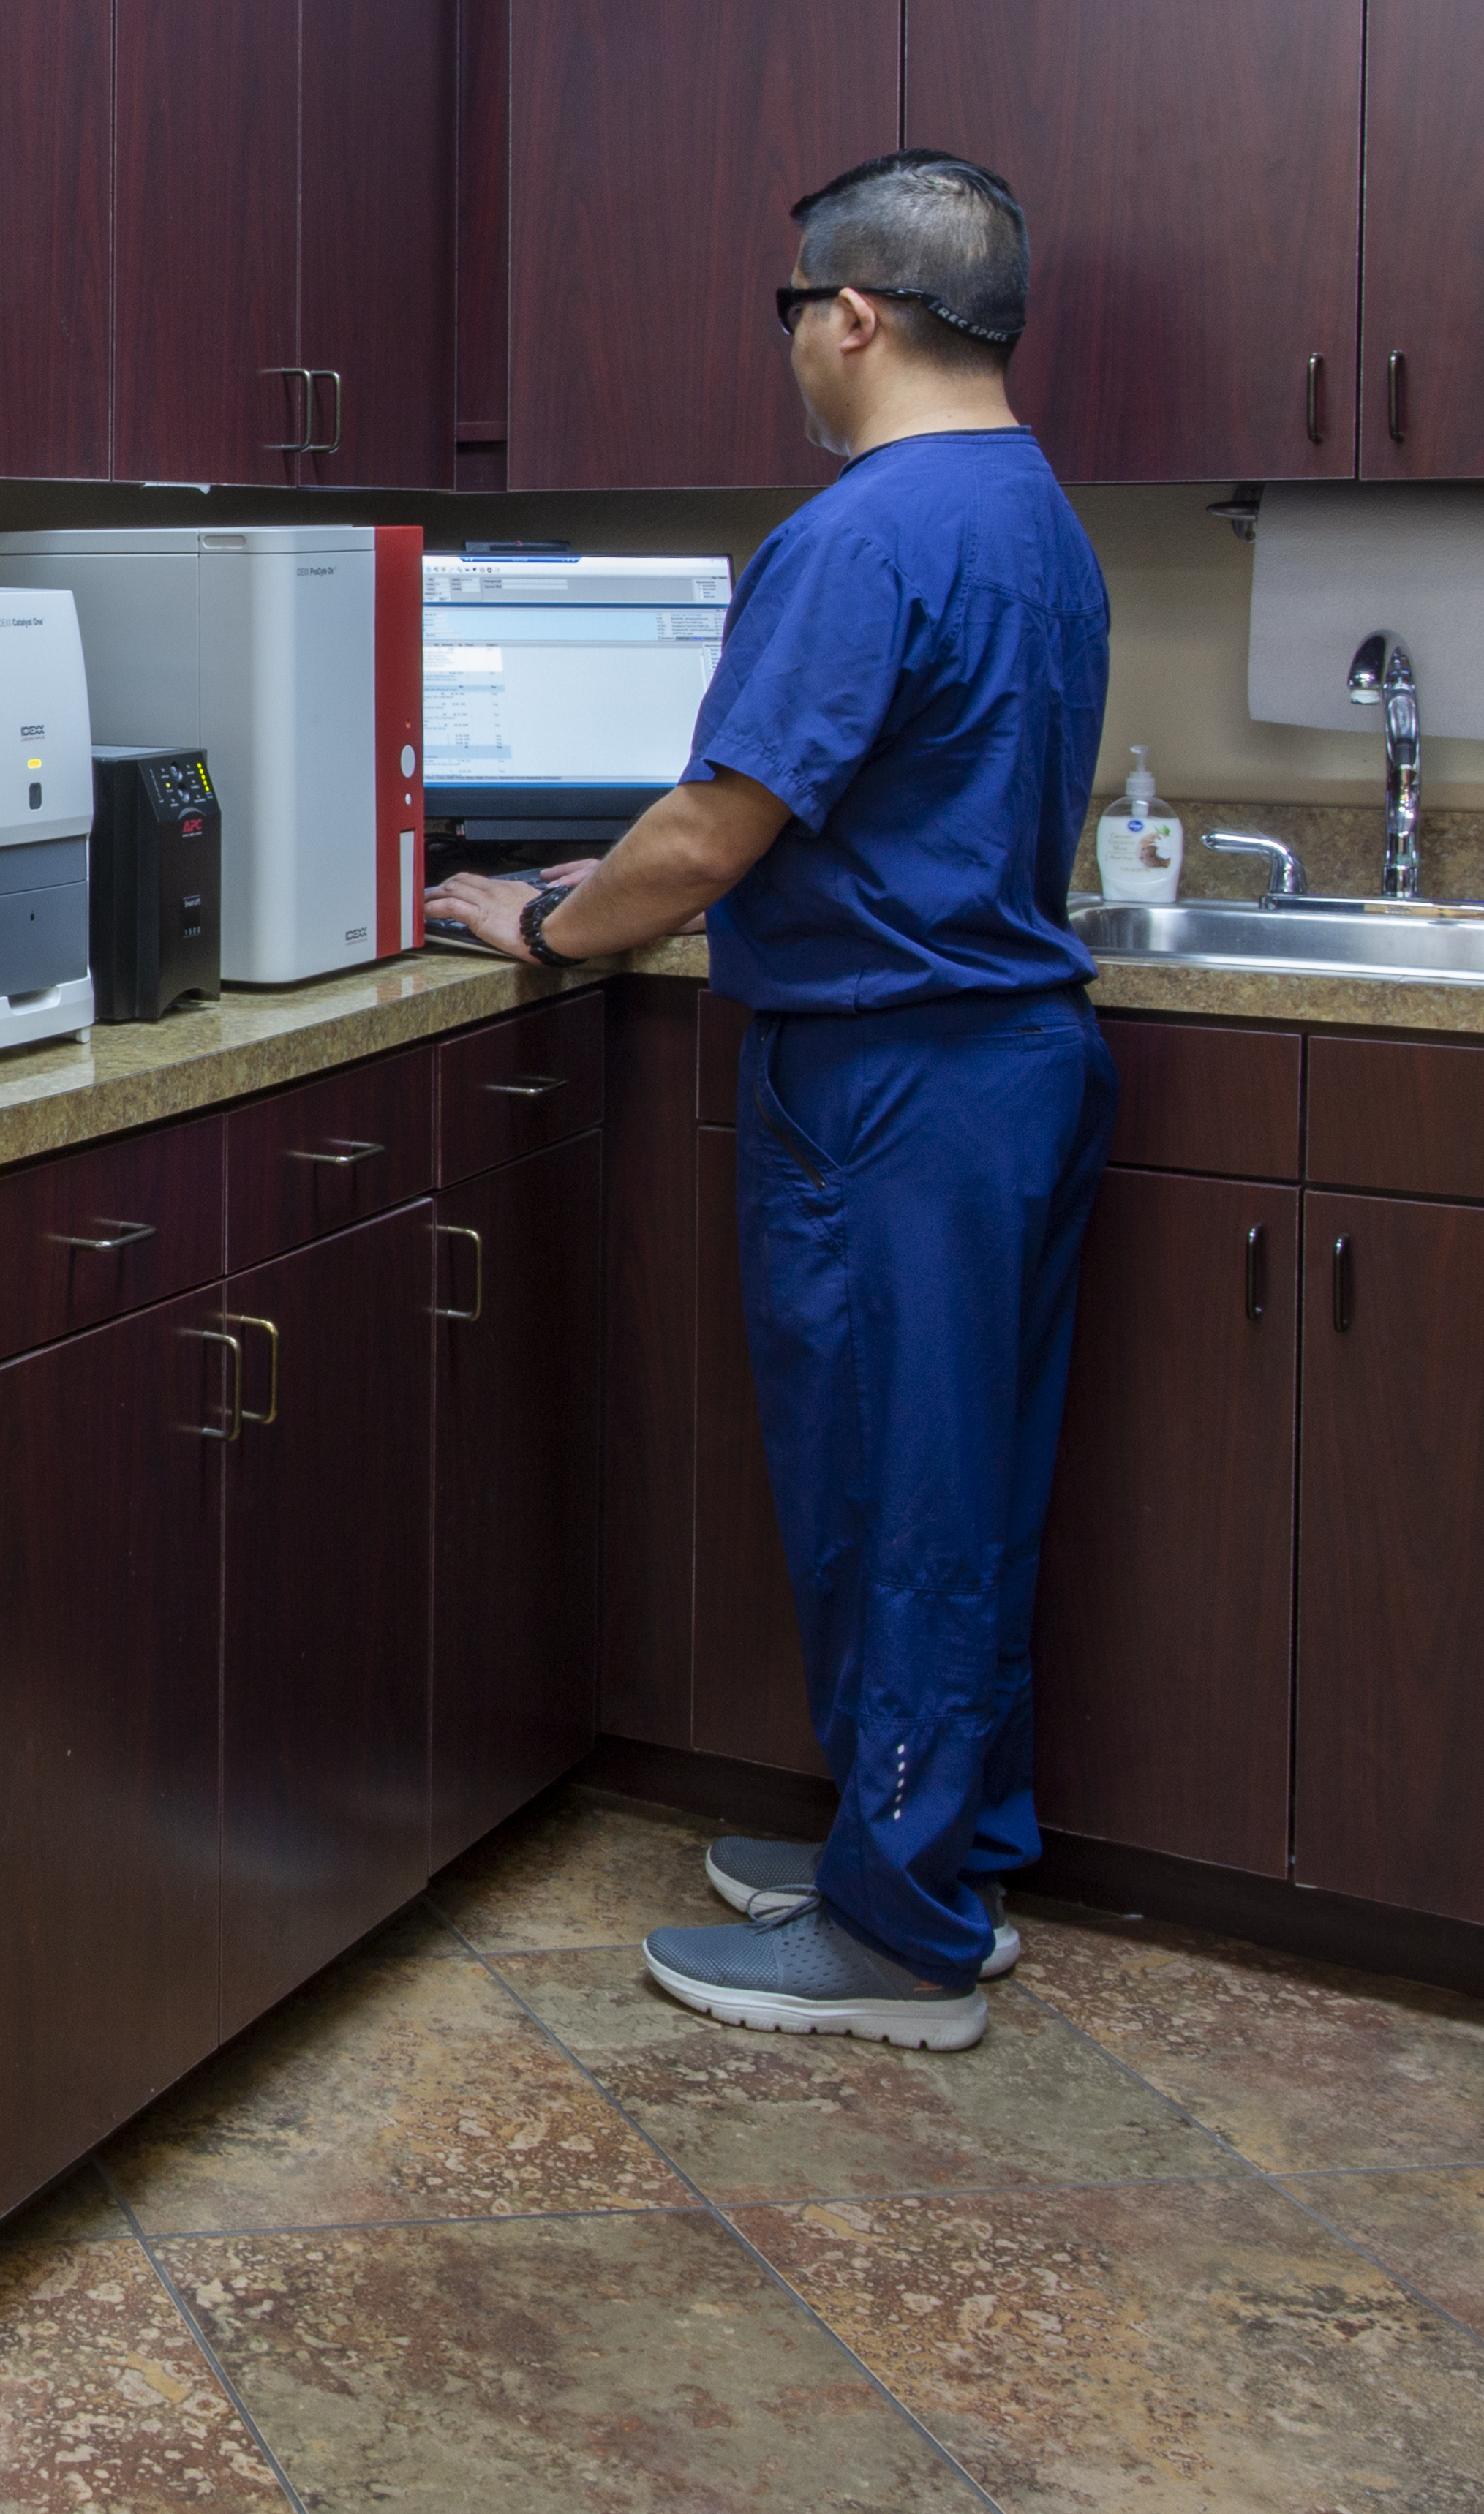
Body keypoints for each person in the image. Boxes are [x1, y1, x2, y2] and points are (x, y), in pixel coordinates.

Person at [426, 149, 1112, 2054]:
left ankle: (899, 1941)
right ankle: (940, 1860)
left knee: (899, 1485)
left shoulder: (862, 532)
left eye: (793, 313)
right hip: (1011, 1070)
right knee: (964, 1482)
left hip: (897, 1079)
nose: (796, 349)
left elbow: (713, 827)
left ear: (856, 315)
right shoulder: (1035, 507)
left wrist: (547, 921)